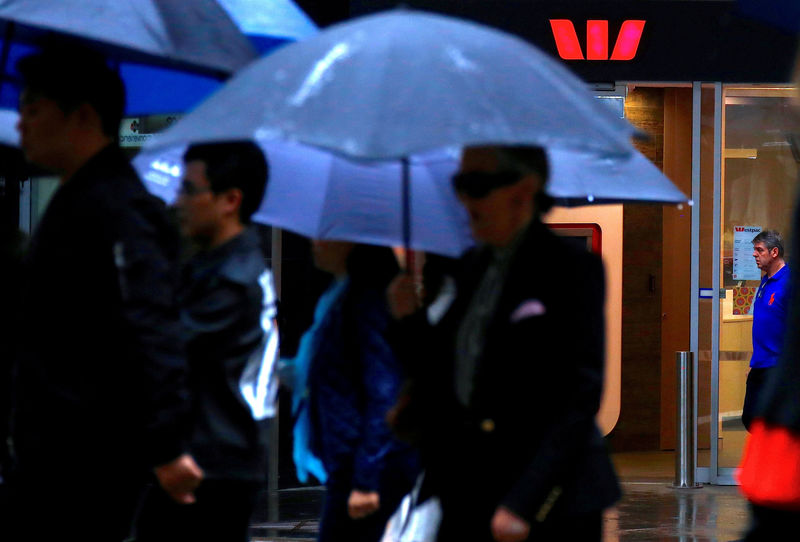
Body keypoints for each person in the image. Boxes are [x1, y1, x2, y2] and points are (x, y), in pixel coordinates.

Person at [4, 42, 202, 541]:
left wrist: (166, 444)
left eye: (33, 108)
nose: (21, 123)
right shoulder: (80, 198)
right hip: (54, 446)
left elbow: (150, 325)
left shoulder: (118, 207)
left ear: (83, 116)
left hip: (85, 455)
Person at [387, 145, 620, 542]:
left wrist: (523, 503)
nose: (463, 200)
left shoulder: (570, 268)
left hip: (547, 498)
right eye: (458, 185)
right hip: (470, 485)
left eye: (475, 185)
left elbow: (578, 395)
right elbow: (444, 366)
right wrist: (407, 319)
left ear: (523, 191)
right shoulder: (471, 266)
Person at [135, 142, 279, 541]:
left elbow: (165, 352)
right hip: (208, 460)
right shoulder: (216, 267)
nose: (178, 201)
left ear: (230, 200)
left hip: (206, 467)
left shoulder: (233, 279)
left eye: (189, 190)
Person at [297, 240, 418, 542]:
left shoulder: (369, 298)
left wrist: (366, 479)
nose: (315, 243)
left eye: (326, 235)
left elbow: (384, 392)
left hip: (365, 466)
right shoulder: (345, 295)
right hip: (351, 463)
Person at [741, 230, 790, 432]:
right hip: (761, 365)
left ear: (774, 252)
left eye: (759, 250)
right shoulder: (765, 281)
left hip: (779, 367)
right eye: (754, 249)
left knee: (773, 423)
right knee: (751, 418)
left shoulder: (790, 283)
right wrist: (755, 362)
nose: (754, 254)